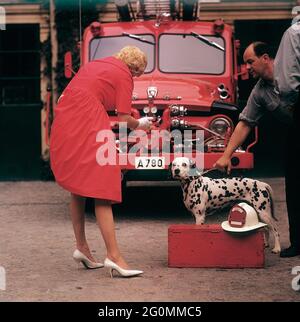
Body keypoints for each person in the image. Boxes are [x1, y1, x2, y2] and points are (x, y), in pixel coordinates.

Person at [50, 46, 153, 277]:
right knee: (103, 185)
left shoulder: (96, 65)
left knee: (78, 187)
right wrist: (142, 123)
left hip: (67, 118)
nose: (136, 77)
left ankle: (82, 248)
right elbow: (125, 119)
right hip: (87, 117)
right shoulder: (124, 74)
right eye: (138, 73)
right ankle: (114, 256)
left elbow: (72, 94)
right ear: (134, 67)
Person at [214, 40, 299, 257]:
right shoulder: (260, 92)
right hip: (294, 134)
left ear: (266, 58)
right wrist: (225, 156)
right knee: (294, 187)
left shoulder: (293, 70)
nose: (247, 68)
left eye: (250, 62)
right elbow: (245, 123)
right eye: (245, 63)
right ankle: (298, 242)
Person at [273, 19, 300, 257]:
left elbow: (288, 84)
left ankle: (299, 240)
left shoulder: (294, 33)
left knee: (296, 177)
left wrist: (290, 108)